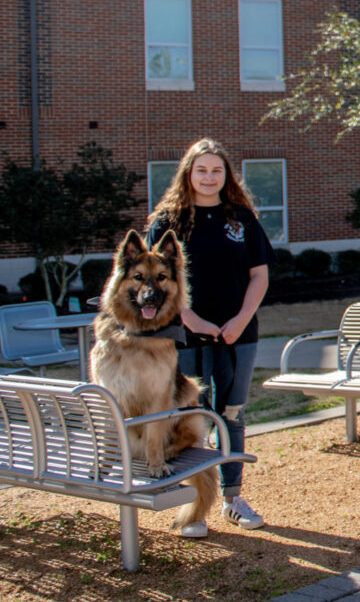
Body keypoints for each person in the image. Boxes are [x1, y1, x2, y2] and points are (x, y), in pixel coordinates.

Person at [145, 138, 275, 535]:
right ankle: (194, 508)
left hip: (239, 334)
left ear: (226, 175)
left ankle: (233, 499)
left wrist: (239, 320)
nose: (208, 177)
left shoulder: (242, 219)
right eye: (201, 170)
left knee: (231, 414)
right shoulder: (167, 222)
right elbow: (153, 281)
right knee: (190, 418)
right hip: (183, 337)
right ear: (188, 173)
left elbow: (260, 276)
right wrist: (191, 319)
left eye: (216, 170)